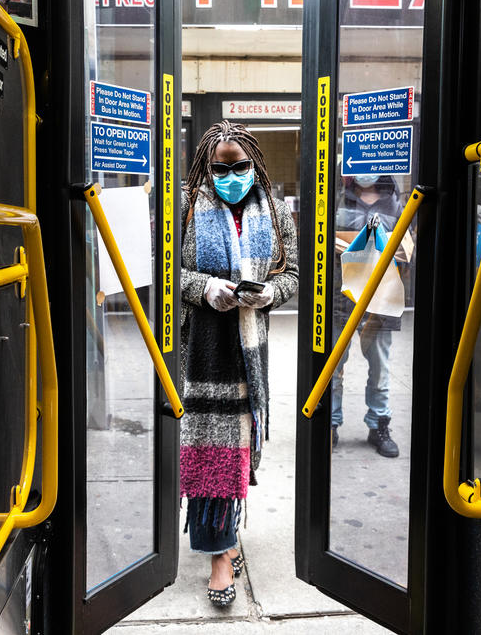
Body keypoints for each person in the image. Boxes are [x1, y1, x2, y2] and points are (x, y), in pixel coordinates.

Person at [179, 120, 299, 608]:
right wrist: (206, 289)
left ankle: (223, 536)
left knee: (237, 452)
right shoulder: (185, 209)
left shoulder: (275, 210)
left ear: (255, 164)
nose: (232, 174)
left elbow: (292, 271)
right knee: (214, 452)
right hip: (204, 351)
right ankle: (220, 557)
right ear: (208, 166)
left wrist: (270, 292)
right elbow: (166, 269)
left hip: (250, 349)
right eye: (221, 167)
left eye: (240, 165)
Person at [330, 174, 405, 458]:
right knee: (335, 366)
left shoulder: (395, 204)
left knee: (380, 366)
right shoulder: (336, 197)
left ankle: (378, 425)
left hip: (381, 295)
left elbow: (407, 244)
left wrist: (397, 252)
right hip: (342, 294)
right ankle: (332, 424)